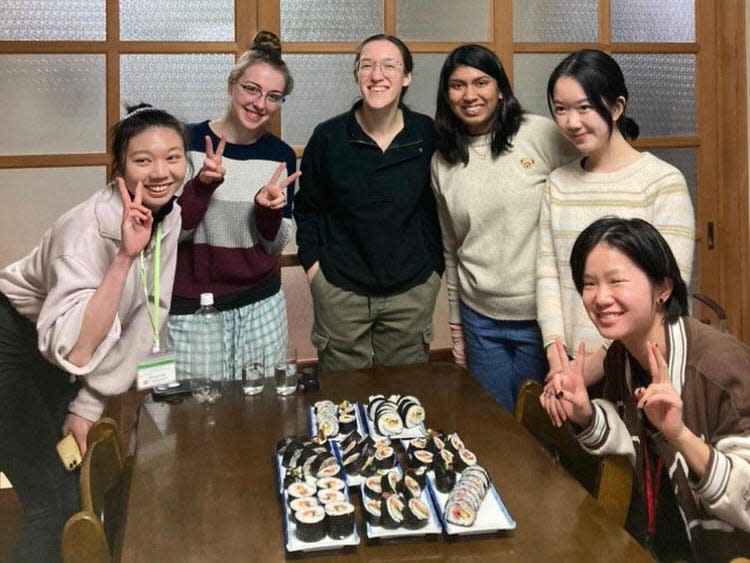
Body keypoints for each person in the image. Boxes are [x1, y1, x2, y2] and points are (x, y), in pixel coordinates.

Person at [0, 104, 190, 562]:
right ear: (119, 168)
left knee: (74, 489)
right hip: (11, 344)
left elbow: (150, 314)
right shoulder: (85, 230)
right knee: (52, 508)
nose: (161, 172)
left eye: (174, 157)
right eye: (143, 160)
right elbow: (76, 347)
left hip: (51, 361)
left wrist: (86, 406)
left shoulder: (169, 215)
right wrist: (124, 258)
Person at [541, 217, 750, 562]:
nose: (600, 298)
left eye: (616, 281)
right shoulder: (623, 354)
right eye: (589, 283)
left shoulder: (721, 369)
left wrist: (680, 435)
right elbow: (628, 438)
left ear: (663, 289)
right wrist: (585, 413)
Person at [431, 44, 578, 412]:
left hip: (543, 319)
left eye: (481, 82)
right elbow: (451, 246)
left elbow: (588, 187)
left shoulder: (538, 134)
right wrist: (455, 325)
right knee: (493, 425)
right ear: (446, 94)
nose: (469, 95)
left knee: (543, 428)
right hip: (479, 319)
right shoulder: (443, 159)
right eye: (457, 85)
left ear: (500, 88)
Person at [536, 49, 695, 387]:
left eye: (584, 107)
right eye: (560, 109)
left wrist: (599, 363)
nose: (571, 122)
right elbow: (548, 272)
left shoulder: (662, 182)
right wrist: (555, 354)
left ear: (616, 106)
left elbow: (667, 287)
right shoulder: (558, 183)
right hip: (567, 364)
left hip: (638, 361)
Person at [294, 34, 444, 372]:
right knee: (344, 400)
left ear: (406, 77)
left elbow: (439, 208)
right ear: (356, 74)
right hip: (339, 289)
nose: (377, 75)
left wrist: (434, 270)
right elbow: (308, 209)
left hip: (412, 290)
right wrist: (314, 269)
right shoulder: (328, 137)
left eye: (389, 65)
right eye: (367, 65)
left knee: (405, 397)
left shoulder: (427, 134)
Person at [168, 31, 300, 380]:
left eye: (273, 96)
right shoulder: (187, 142)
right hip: (194, 308)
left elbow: (274, 244)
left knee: (262, 410)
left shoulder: (280, 156)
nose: (260, 104)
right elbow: (169, 233)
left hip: (261, 305)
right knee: (195, 416)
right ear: (231, 84)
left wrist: (269, 213)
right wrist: (201, 186)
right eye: (251, 89)